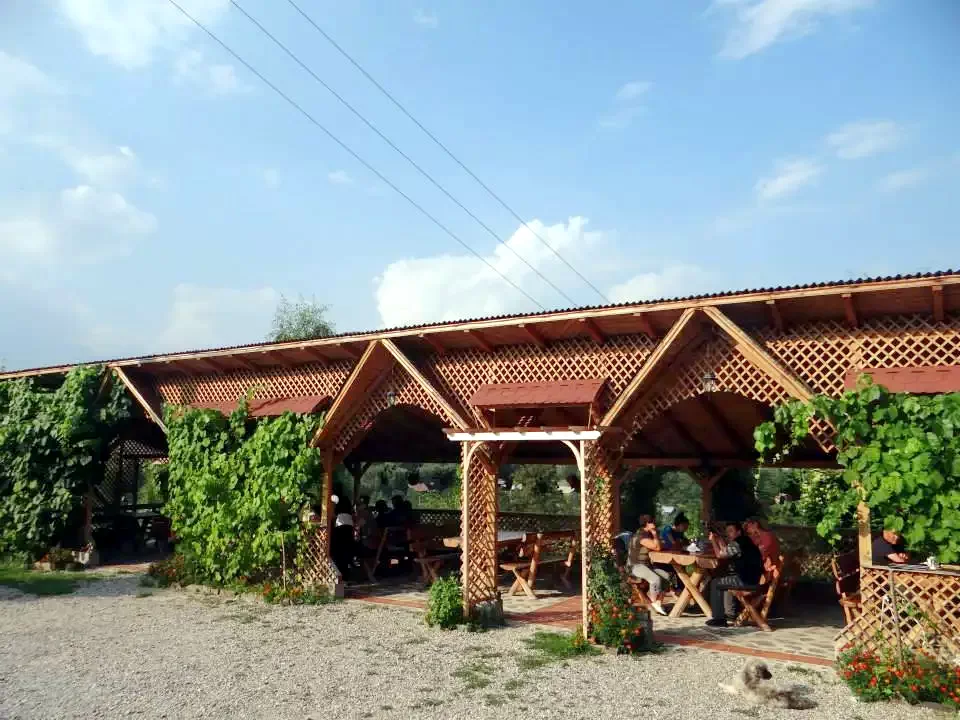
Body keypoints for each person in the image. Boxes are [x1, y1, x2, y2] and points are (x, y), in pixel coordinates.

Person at [705, 521, 764, 628]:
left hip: (746, 581)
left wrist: (713, 540)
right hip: (752, 579)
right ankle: (730, 613)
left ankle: (719, 619)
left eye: (731, 531)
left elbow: (720, 555)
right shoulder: (744, 541)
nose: (728, 534)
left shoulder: (738, 543)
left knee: (715, 583)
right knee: (723, 580)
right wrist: (719, 540)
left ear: (738, 532)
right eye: (727, 531)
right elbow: (726, 551)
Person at [628, 514, 670, 616]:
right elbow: (657, 547)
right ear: (647, 524)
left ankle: (657, 603)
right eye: (653, 522)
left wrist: (655, 536)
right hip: (635, 566)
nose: (655, 524)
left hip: (646, 566)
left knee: (666, 576)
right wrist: (655, 535)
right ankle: (654, 602)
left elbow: (661, 545)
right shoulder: (641, 536)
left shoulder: (647, 534)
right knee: (655, 579)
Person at [330, 496, 356, 581]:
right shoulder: (350, 516)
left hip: (339, 539)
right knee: (345, 557)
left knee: (338, 557)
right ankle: (345, 576)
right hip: (348, 541)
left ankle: (339, 576)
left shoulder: (338, 516)